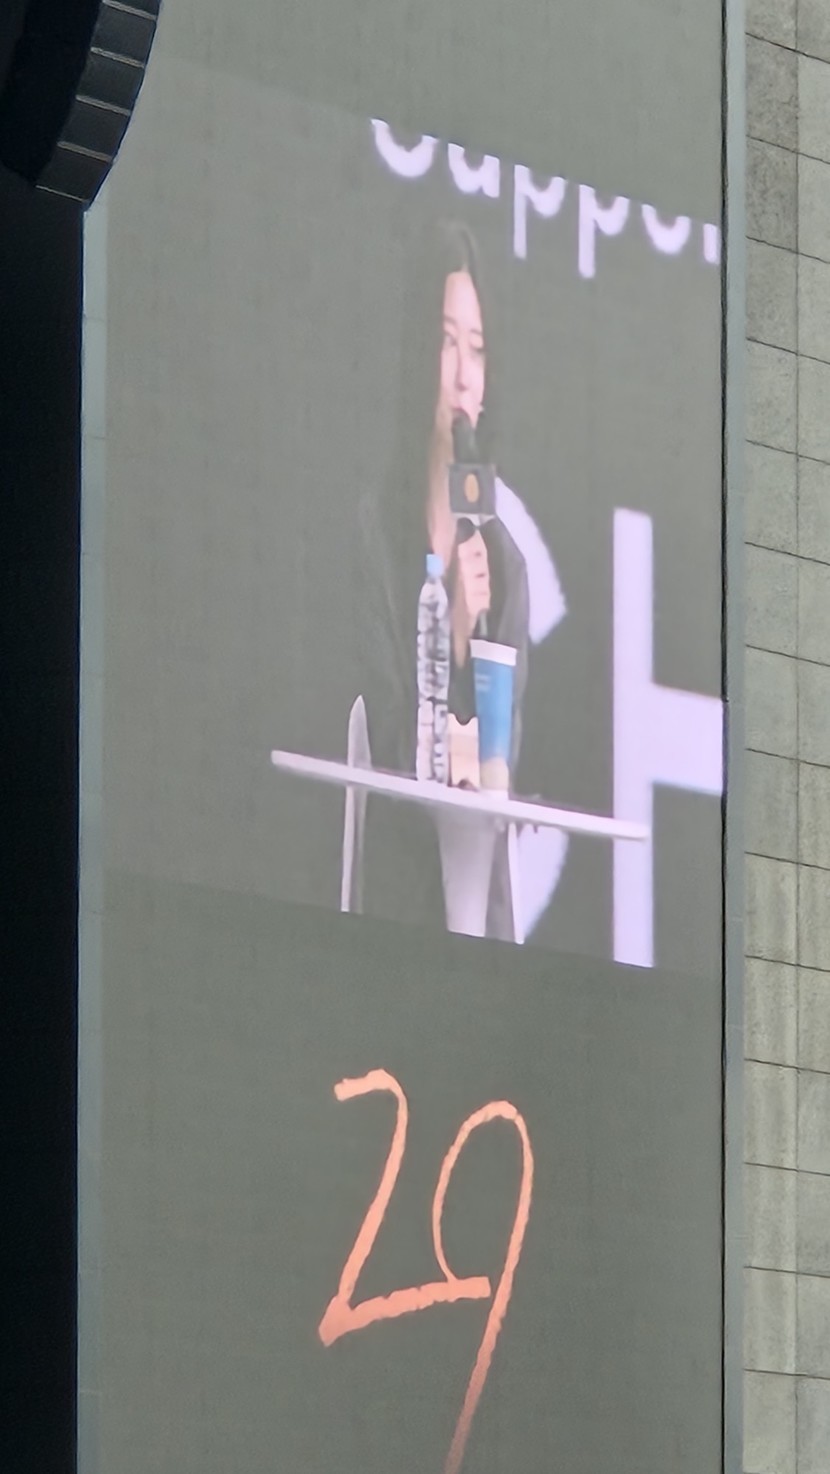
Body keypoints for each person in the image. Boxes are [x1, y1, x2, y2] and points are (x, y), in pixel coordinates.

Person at [357, 220, 566, 937]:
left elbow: (500, 759)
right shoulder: (377, 535)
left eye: (477, 348)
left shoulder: (504, 565)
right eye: (447, 342)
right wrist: (444, 631)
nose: (463, 372)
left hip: (482, 917)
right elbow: (382, 749)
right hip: (395, 902)